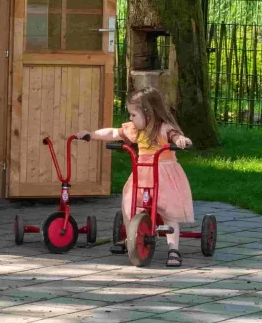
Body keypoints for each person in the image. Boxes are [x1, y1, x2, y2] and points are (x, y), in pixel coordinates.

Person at [78, 88, 194, 267]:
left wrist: (180, 140)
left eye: (133, 114)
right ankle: (131, 237)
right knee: (130, 202)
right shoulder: (135, 130)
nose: (130, 118)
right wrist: (91, 135)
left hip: (164, 174)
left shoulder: (163, 128)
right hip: (142, 173)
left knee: (169, 210)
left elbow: (175, 135)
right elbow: (113, 133)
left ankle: (173, 248)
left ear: (148, 113)